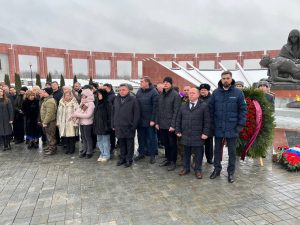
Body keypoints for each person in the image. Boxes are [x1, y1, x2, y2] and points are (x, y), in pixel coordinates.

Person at [209, 71, 247, 183]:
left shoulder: (238, 93)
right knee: (217, 151)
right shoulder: (215, 93)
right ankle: (217, 169)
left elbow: (243, 110)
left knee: (232, 152)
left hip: (232, 127)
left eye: (228, 78)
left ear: (231, 79)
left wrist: (240, 125)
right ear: (221, 79)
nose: (225, 80)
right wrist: (212, 125)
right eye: (224, 78)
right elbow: (210, 110)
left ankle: (231, 173)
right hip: (218, 127)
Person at [176, 87, 210, 179]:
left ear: (198, 95)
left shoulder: (204, 106)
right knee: (186, 152)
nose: (191, 94)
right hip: (186, 134)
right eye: (190, 93)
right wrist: (178, 130)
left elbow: (207, 121)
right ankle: (186, 168)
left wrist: (205, 133)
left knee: (198, 153)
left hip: (198, 135)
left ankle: (198, 170)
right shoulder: (183, 106)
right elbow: (178, 119)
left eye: (193, 93)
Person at [156, 76, 181, 171]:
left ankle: (173, 161)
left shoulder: (175, 95)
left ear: (171, 84)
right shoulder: (161, 94)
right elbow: (158, 110)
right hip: (162, 124)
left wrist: (173, 125)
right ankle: (167, 159)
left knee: (172, 144)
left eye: (168, 82)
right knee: (165, 143)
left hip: (170, 125)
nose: (165, 84)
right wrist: (157, 122)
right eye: (164, 82)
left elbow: (176, 111)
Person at [112, 83, 140, 168]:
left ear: (128, 90)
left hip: (129, 126)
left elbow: (137, 114)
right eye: (120, 90)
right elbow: (113, 112)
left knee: (129, 144)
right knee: (121, 143)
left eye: (123, 90)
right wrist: (113, 124)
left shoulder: (133, 99)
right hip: (119, 126)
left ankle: (129, 159)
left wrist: (134, 125)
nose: (121, 91)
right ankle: (122, 158)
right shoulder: (116, 99)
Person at [135, 76, 159, 164]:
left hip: (150, 121)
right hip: (140, 120)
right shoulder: (139, 91)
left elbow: (155, 108)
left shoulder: (154, 92)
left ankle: (152, 155)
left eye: (142, 81)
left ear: (147, 83)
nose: (140, 83)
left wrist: (153, 120)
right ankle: (141, 153)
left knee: (151, 138)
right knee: (140, 138)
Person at [71, 89, 95, 159]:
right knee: (83, 138)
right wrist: (73, 115)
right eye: (82, 96)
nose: (82, 97)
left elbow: (88, 115)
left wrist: (77, 115)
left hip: (88, 123)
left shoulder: (91, 104)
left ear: (88, 96)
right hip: (81, 123)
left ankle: (89, 151)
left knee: (88, 138)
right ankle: (84, 150)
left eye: (84, 96)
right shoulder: (82, 103)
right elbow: (78, 111)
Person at [93, 89, 112, 162]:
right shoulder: (97, 103)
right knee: (99, 140)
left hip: (105, 126)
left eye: (100, 94)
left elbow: (110, 115)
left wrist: (108, 125)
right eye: (98, 94)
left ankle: (106, 155)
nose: (99, 96)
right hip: (98, 125)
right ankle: (102, 153)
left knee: (105, 141)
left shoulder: (107, 103)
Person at [199, 83, 214, 164]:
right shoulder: (198, 98)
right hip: (199, 125)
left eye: (204, 90)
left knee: (209, 144)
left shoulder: (212, 99)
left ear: (208, 91)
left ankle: (209, 158)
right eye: (201, 90)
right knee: (199, 144)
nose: (203, 91)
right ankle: (199, 158)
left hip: (209, 125)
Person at [40, 88, 57, 155]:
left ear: (48, 93)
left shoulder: (50, 101)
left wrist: (45, 122)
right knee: (48, 135)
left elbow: (49, 113)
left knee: (51, 136)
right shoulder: (47, 100)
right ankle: (50, 147)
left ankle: (52, 149)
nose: (43, 93)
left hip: (50, 122)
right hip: (47, 121)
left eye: (44, 92)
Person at [103, 83, 116, 158]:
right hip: (105, 118)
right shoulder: (105, 95)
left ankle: (112, 148)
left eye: (105, 89)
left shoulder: (113, 96)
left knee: (112, 134)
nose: (104, 90)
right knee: (106, 134)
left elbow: (114, 108)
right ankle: (107, 147)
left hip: (111, 118)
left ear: (110, 88)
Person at [51, 81, 63, 145]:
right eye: (52, 85)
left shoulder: (60, 93)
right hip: (52, 113)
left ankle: (61, 141)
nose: (53, 86)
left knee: (59, 127)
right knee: (54, 128)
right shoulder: (51, 93)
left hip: (58, 112)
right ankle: (57, 140)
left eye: (55, 85)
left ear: (58, 85)